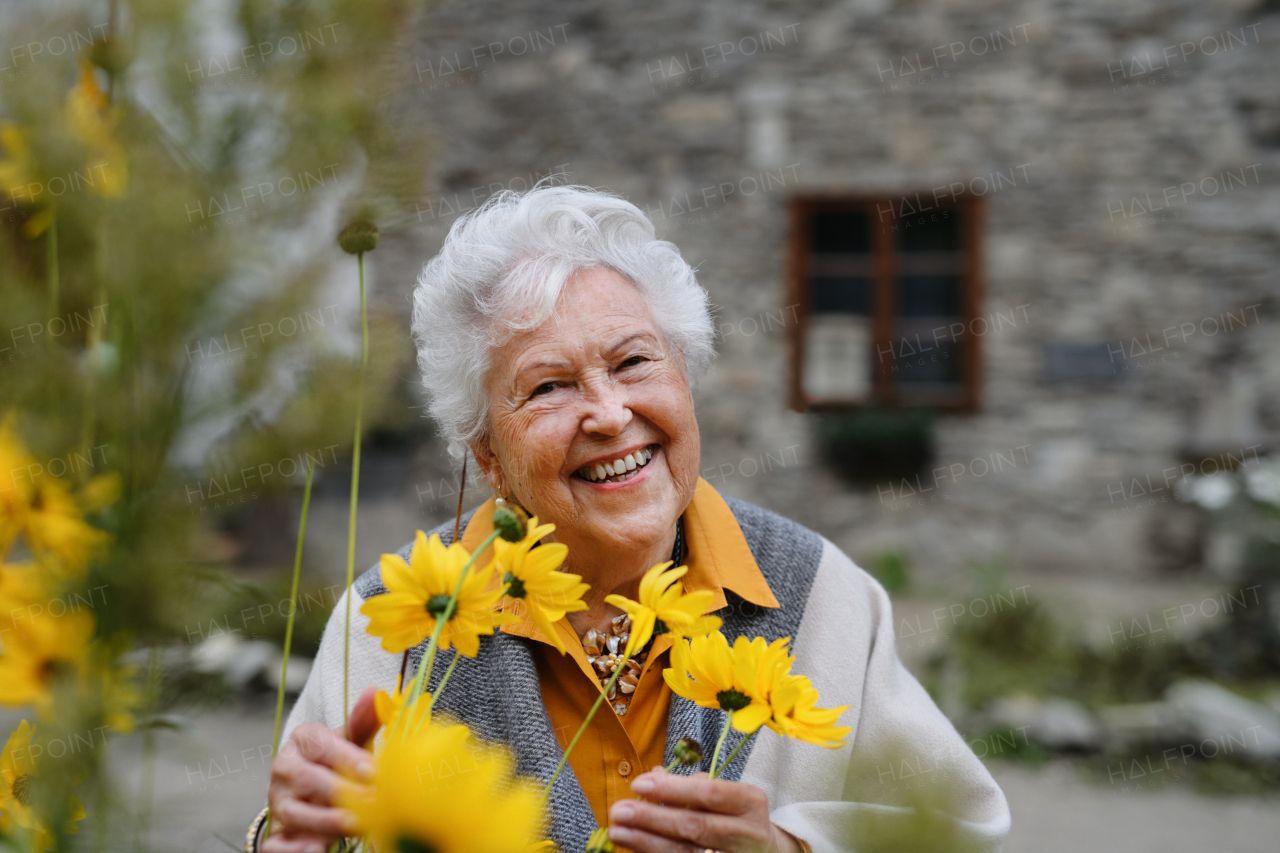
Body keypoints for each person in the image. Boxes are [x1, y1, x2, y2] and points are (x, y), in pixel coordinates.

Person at [256, 185, 1010, 853]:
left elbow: (955, 831)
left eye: (634, 363)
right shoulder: (391, 623)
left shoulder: (821, 597)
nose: (611, 414)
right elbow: (306, 830)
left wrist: (789, 848)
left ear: (684, 375)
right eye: (549, 386)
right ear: (488, 454)